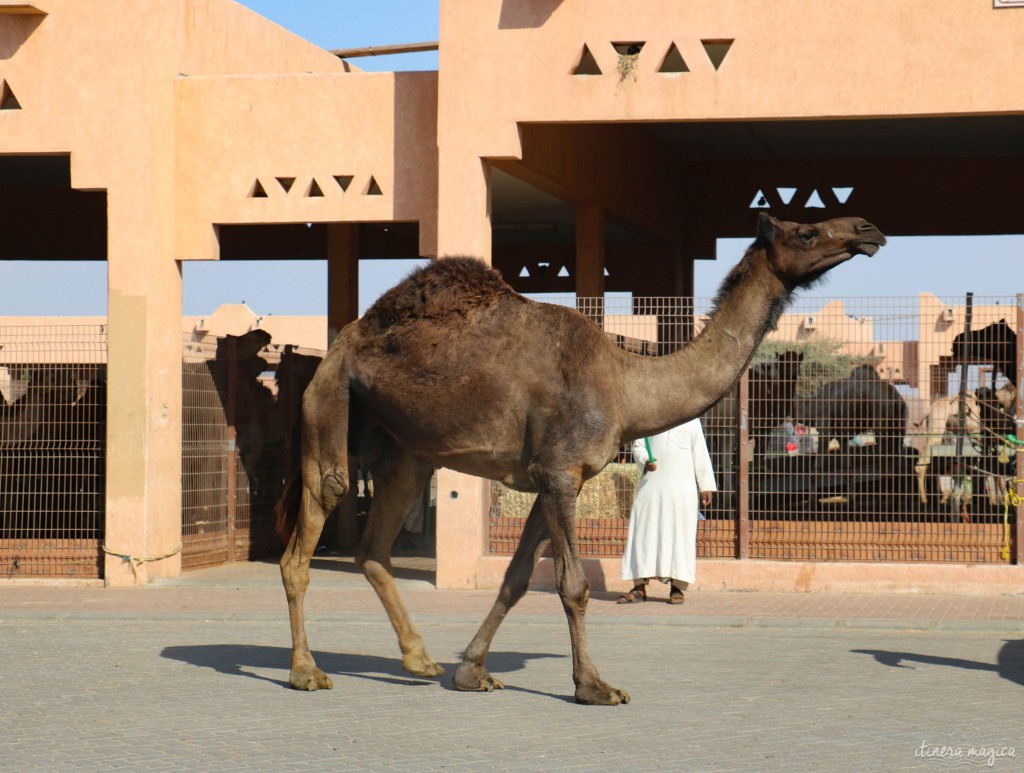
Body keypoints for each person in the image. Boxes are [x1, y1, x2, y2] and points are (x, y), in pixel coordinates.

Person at [618, 418, 717, 604]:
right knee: (643, 535)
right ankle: (639, 587)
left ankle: (677, 587)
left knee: (680, 537)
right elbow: (638, 445)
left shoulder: (692, 420)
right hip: (651, 487)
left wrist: (706, 485)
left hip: (682, 491)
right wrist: (646, 460)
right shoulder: (653, 417)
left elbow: (700, 452)